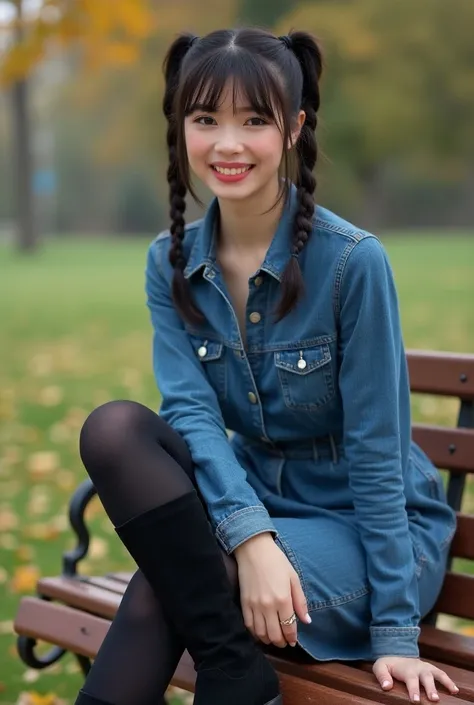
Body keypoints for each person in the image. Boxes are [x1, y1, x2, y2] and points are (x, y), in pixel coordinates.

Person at [74, 27, 460, 705]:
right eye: (205, 119)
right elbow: (189, 412)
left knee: (163, 588)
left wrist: (396, 631)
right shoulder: (169, 262)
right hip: (255, 502)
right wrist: (250, 536)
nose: (227, 143)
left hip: (368, 535)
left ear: (294, 127)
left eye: (254, 119)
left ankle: (235, 676)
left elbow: (376, 451)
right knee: (114, 430)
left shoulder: (350, 263)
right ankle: (236, 674)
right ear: (181, 126)